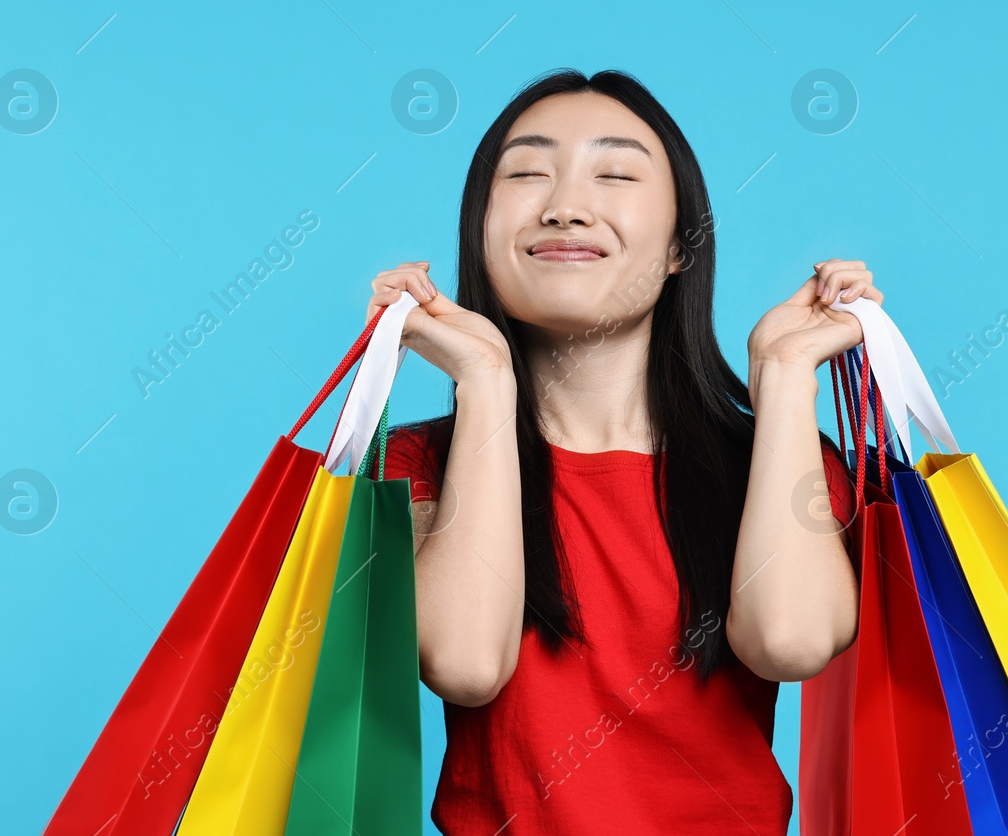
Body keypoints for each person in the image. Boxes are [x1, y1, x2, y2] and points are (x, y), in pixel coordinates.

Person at [369, 68, 884, 834]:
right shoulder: (414, 464)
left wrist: (783, 378)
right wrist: (483, 380)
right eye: (526, 173)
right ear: (480, 230)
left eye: (614, 174)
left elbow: (790, 639)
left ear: (682, 246)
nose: (565, 207)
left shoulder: (779, 457)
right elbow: (466, 664)